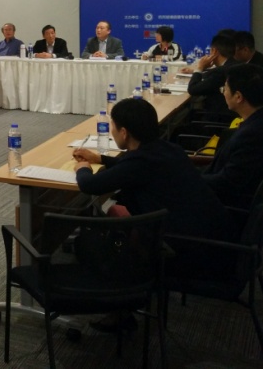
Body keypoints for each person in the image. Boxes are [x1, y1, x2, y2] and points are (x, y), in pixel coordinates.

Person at [72, 98, 233, 330]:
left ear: (124, 132)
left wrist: (83, 168)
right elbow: (133, 167)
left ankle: (123, 308)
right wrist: (101, 159)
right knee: (118, 228)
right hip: (215, 241)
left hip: (189, 253)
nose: (113, 131)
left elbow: (90, 185)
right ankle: (123, 306)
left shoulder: (141, 162)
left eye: (114, 126)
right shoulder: (167, 149)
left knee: (88, 244)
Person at [200, 64, 263, 209]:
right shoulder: (254, 122)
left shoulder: (251, 135)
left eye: (225, 89)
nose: (223, 93)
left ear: (238, 97)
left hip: (222, 207)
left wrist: (189, 179)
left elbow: (228, 182)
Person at [187, 32, 239, 120]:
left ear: (214, 51)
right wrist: (202, 70)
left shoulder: (220, 72)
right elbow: (211, 78)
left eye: (210, 51)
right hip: (231, 115)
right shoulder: (235, 65)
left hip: (218, 119)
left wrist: (199, 68)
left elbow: (193, 89)